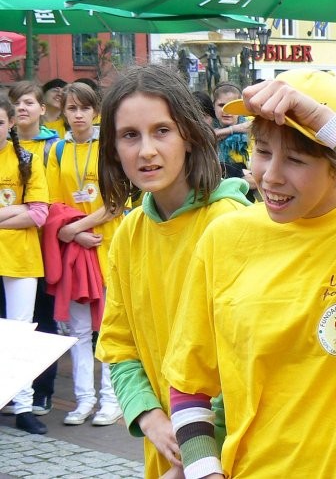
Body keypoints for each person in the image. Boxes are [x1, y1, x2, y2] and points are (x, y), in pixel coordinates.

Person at [164, 68, 336, 478]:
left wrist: (321, 119)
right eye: (262, 150)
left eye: (296, 159)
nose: (270, 176)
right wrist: (204, 471)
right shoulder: (225, 238)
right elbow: (188, 383)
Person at [95, 65, 252, 478]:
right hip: (166, 450)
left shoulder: (232, 223)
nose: (146, 150)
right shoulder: (128, 234)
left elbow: (247, 359)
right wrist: (149, 417)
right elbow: (119, 345)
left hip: (228, 454)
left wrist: (197, 453)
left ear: (189, 135)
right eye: (130, 135)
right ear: (113, 149)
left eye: (161, 131)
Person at [45, 82, 124, 427]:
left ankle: (111, 399)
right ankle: (84, 399)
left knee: (108, 327)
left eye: (85, 108)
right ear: (63, 112)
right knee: (77, 331)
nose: (78, 115)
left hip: (108, 244)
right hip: (77, 251)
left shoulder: (109, 147)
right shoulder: (58, 151)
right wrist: (74, 233)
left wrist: (76, 228)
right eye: (72, 108)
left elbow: (116, 201)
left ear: (96, 111)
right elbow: (53, 204)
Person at [0, 95, 50, 435]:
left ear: (10, 124)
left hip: (21, 257)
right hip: (16, 248)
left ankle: (23, 406)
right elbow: (26, 210)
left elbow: (38, 213)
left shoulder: (26, 159)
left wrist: (23, 212)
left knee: (20, 333)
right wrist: (15, 210)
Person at [8, 82, 60, 165]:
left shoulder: (55, 146)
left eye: (29, 103)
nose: (21, 108)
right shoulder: (3, 142)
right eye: (16, 103)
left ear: (42, 109)